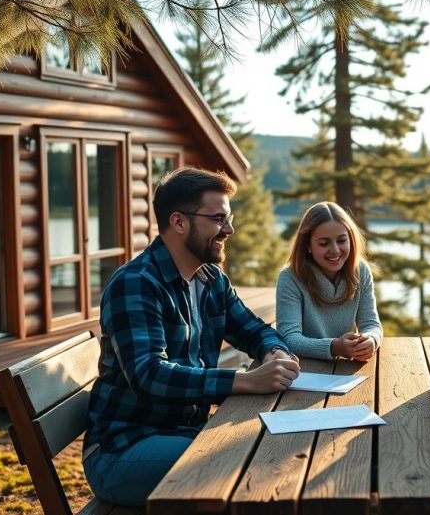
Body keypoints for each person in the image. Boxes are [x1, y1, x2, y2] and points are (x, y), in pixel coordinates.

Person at [82, 167, 300, 506]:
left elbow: (254, 329)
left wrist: (274, 353)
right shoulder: (136, 283)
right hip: (122, 451)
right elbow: (149, 374)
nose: (229, 229)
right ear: (179, 222)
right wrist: (244, 381)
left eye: (229, 218)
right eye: (218, 219)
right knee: (249, 460)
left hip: (185, 435)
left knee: (268, 447)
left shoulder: (210, 279)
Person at [276, 201, 383, 361]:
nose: (335, 250)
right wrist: (334, 347)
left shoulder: (361, 271)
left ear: (350, 240)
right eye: (324, 243)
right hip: (304, 367)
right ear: (308, 246)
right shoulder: (290, 278)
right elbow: (289, 339)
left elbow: (372, 324)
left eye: (341, 241)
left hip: (346, 369)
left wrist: (370, 340)